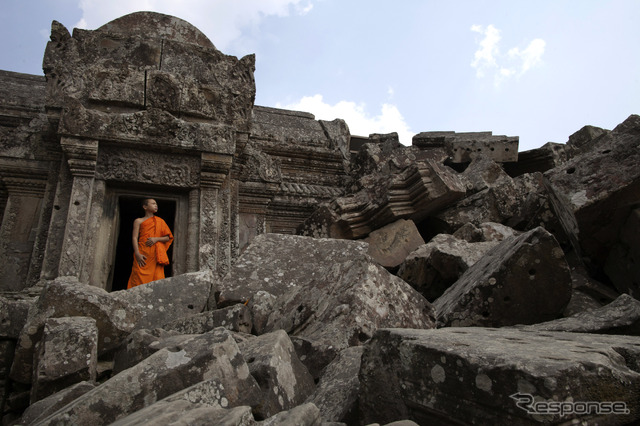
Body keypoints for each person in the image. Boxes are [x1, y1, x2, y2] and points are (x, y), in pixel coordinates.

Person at [127, 198, 174, 289]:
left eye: (156, 204)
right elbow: (134, 237)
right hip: (142, 254)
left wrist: (156, 239)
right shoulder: (138, 221)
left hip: (155, 256)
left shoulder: (160, 221)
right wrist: (137, 253)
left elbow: (168, 238)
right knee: (138, 277)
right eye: (153, 203)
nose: (156, 205)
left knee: (156, 279)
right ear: (145, 207)